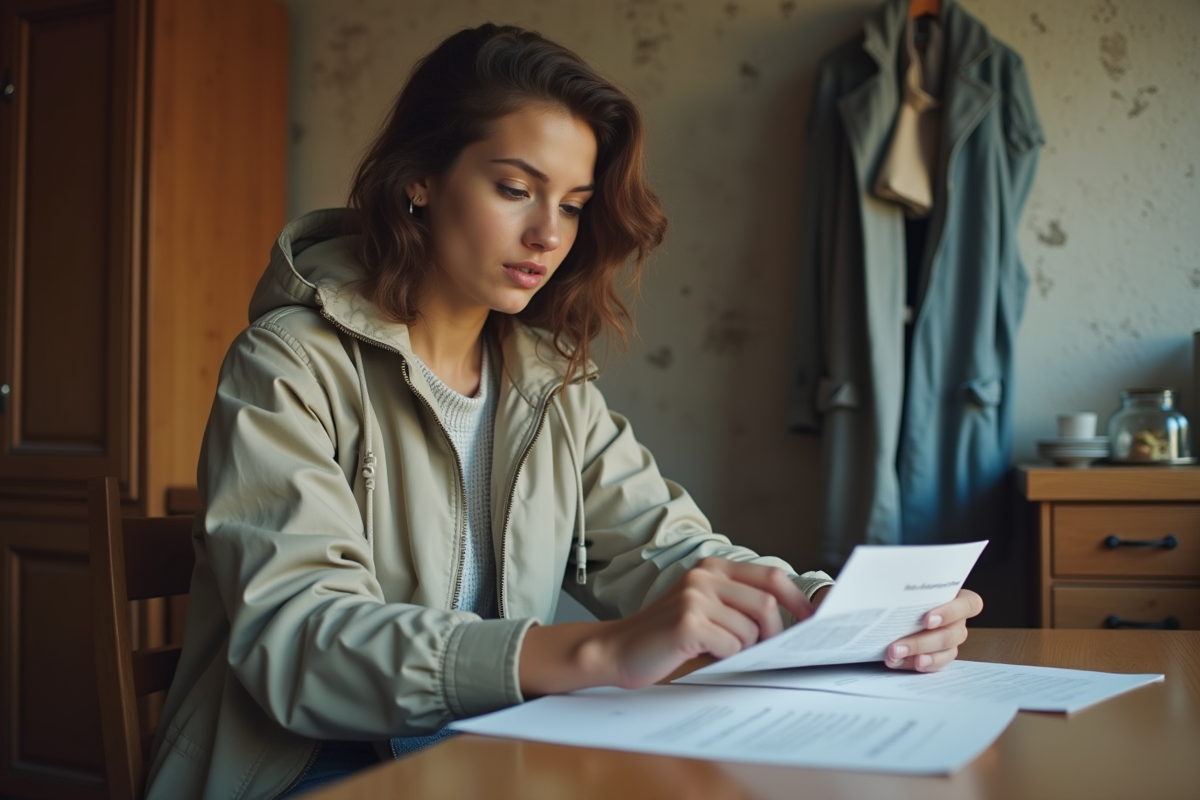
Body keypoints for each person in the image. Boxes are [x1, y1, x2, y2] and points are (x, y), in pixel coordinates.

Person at [145, 23, 982, 800]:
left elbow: (672, 550)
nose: (550, 234)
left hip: (479, 754)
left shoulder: (549, 383)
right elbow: (304, 644)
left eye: (575, 204)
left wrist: (846, 616)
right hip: (301, 768)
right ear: (419, 183)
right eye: (516, 188)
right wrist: (596, 651)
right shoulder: (287, 364)